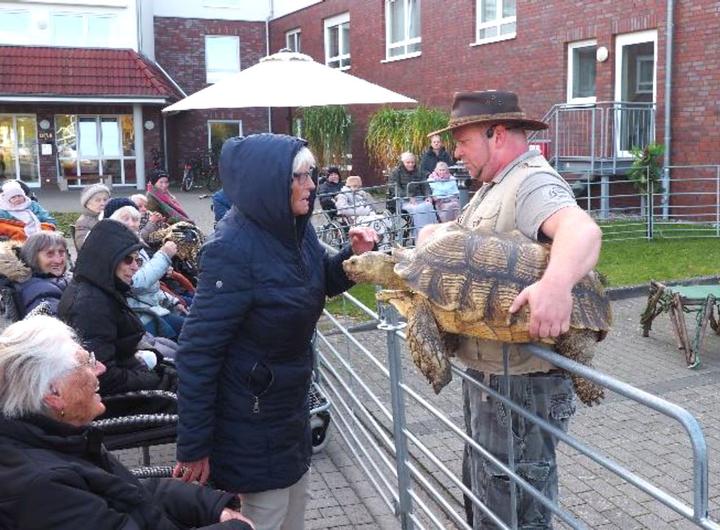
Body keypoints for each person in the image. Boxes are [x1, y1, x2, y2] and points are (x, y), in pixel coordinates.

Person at [173, 133, 377, 530]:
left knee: (293, 513)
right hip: (249, 419)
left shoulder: (297, 232)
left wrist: (353, 259)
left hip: (289, 407)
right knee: (262, 518)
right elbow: (197, 352)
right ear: (269, 181)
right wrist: (194, 446)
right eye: (301, 176)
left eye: (312, 174)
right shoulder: (231, 249)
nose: (313, 185)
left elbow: (318, 282)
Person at [422, 90, 602, 529]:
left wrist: (556, 286)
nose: (455, 152)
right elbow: (481, 241)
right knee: (487, 487)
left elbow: (581, 229)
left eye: (463, 142)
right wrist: (436, 233)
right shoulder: (494, 185)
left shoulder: (532, 183)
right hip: (492, 375)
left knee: (516, 501)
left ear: (497, 134)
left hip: (520, 383)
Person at [0, 315, 254, 530]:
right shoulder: (44, 487)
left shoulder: (58, 436)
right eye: (84, 363)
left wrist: (211, 506)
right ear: (53, 394)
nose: (99, 367)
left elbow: (127, 492)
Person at [58, 219, 178, 397]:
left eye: (137, 259)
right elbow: (104, 377)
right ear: (107, 258)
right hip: (118, 397)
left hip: (130, 369)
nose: (136, 266)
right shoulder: (90, 306)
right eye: (128, 259)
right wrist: (157, 379)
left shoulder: (101, 287)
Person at [110, 205, 186, 340]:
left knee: (193, 321)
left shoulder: (137, 243)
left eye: (135, 219)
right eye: (125, 219)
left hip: (154, 306)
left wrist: (173, 302)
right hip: (142, 315)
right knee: (191, 332)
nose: (131, 223)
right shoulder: (118, 249)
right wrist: (164, 255)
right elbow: (136, 283)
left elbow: (153, 287)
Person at [13, 231, 71, 317]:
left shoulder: (53, 279)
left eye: (61, 252)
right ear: (33, 257)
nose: (58, 260)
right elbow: (49, 326)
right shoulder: (39, 289)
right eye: (50, 254)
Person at [74, 183, 110, 250]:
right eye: (98, 200)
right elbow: (83, 246)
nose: (103, 203)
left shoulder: (110, 216)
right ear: (87, 204)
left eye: (105, 200)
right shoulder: (83, 222)